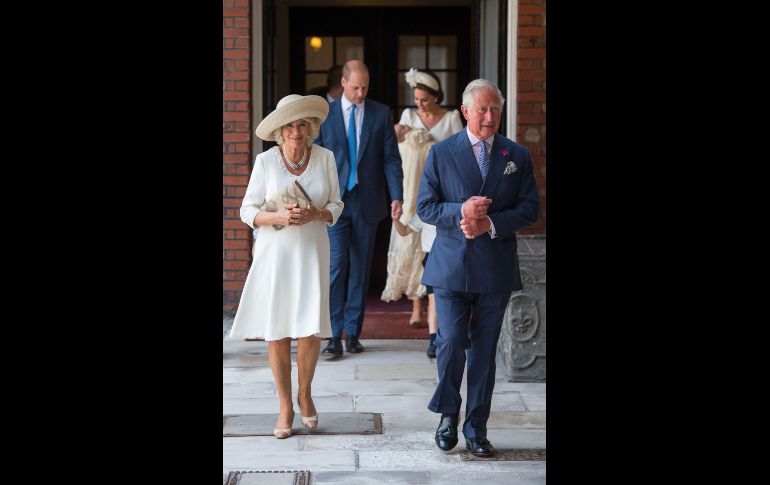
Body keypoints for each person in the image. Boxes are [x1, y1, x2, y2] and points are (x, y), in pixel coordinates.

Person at [417, 79, 539, 457]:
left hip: (494, 267)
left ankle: (477, 430)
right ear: (465, 112)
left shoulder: (515, 154)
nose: (489, 117)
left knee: (484, 352)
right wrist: (460, 212)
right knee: (452, 341)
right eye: (482, 110)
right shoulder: (441, 153)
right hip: (451, 267)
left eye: (495, 110)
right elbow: (425, 207)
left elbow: (530, 209)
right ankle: (448, 415)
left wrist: (489, 223)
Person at [228, 94, 344, 439]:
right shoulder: (265, 162)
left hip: (312, 252)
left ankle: (305, 394)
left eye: (302, 124)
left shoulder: (326, 158)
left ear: (311, 128)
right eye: (290, 125)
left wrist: (317, 213)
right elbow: (247, 211)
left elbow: (336, 205)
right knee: (277, 329)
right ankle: (284, 405)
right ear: (280, 130)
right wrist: (278, 215)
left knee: (310, 327)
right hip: (275, 253)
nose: (297, 130)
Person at [315, 59, 404, 356]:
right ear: (343, 83)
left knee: (360, 270)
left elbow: (391, 158)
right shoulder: (324, 115)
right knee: (337, 266)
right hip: (334, 204)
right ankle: (332, 334)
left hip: (368, 201)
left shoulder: (380, 113)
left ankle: (353, 333)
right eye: (355, 87)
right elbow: (315, 159)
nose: (360, 93)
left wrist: (397, 196)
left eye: (365, 87)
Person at [382, 68, 464, 349]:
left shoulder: (451, 118)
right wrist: (399, 133)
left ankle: (434, 322)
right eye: (416, 99)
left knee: (432, 252)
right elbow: (396, 150)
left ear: (436, 96)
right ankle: (416, 307)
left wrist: (431, 142)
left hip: (440, 188)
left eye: (425, 100)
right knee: (411, 246)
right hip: (411, 187)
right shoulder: (408, 117)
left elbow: (460, 152)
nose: (419, 105)